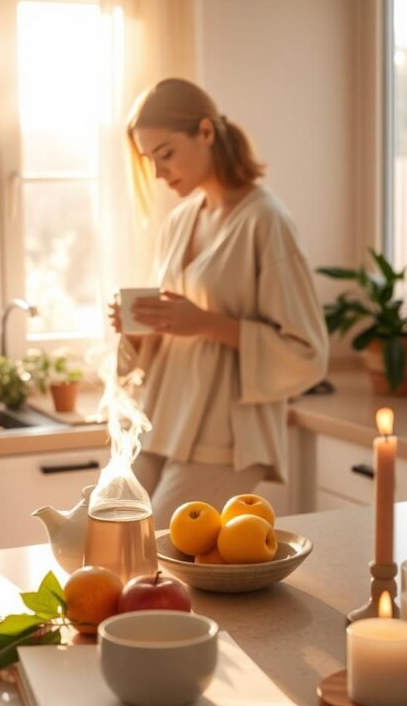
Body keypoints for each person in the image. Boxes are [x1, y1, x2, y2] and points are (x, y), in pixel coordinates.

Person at [109, 78, 328, 529]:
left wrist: (205, 323)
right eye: (149, 160)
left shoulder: (266, 222)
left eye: (165, 153)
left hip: (227, 439)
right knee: (105, 529)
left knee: (155, 547)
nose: (158, 172)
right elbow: (169, 339)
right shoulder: (180, 220)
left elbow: (308, 352)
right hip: (163, 425)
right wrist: (139, 329)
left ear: (206, 132)